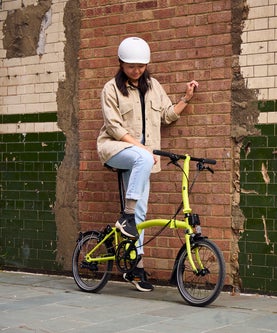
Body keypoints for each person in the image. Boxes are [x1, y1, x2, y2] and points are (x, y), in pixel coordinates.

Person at [97, 36, 199, 292]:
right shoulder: (111, 88)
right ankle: (126, 215)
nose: (136, 70)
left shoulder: (153, 86)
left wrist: (185, 98)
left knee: (141, 214)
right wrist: (141, 147)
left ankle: (135, 266)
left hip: (143, 160)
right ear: (121, 63)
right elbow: (113, 127)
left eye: (141, 65)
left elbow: (166, 116)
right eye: (131, 65)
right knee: (141, 167)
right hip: (115, 148)